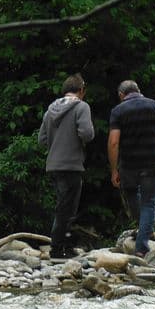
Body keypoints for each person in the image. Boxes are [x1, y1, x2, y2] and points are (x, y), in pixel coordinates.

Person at [107, 80, 155, 257]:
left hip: (128, 164)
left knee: (131, 195)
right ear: (139, 91)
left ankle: (143, 236)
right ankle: (142, 245)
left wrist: (114, 170)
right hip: (152, 162)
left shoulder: (118, 111)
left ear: (121, 95)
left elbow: (114, 142)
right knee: (148, 202)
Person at [38, 73, 95, 259]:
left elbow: (42, 139)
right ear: (81, 90)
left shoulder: (50, 110)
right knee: (67, 208)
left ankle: (66, 247)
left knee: (63, 205)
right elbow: (87, 133)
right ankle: (57, 249)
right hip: (71, 163)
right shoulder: (81, 106)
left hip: (53, 164)